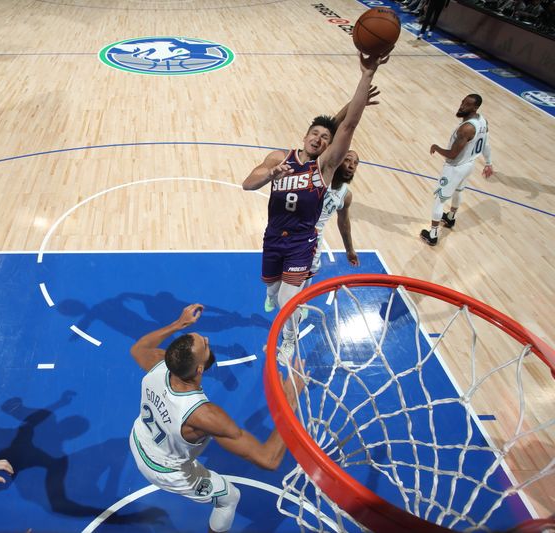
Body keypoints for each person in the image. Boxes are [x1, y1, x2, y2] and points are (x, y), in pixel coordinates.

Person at [242, 51, 389, 364]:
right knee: (271, 288)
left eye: (326, 138)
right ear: (305, 136)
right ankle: (273, 294)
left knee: (286, 300)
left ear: (328, 145)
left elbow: (347, 125)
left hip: (302, 243)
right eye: (315, 134)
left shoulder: (325, 166)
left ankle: (288, 342)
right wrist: (271, 175)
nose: (320, 139)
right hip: (273, 238)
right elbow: (247, 183)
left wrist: (366, 75)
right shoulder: (279, 158)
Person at [128, 303, 304, 533]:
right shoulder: (204, 415)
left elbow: (138, 348)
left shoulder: (160, 365)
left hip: (139, 440)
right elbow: (268, 459)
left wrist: (179, 324)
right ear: (200, 370)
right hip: (165, 470)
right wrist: (289, 404)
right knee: (230, 498)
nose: (208, 341)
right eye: (205, 345)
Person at [420, 94, 493, 246]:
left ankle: (432, 235)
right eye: (462, 102)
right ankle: (450, 217)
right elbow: (485, 144)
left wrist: (436, 147)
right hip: (469, 165)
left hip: (455, 167)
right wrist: (488, 162)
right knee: (459, 192)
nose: (461, 106)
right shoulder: (483, 121)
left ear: (475, 108)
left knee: (439, 199)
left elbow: (453, 154)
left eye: (467, 104)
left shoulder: (466, 129)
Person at [307, 150, 361, 280]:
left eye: (355, 163)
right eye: (347, 160)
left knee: (308, 275)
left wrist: (349, 250)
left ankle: (297, 300)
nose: (352, 166)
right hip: (294, 230)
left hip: (314, 240)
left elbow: (343, 222)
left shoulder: (345, 195)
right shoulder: (317, 177)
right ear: (338, 159)